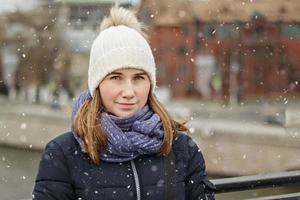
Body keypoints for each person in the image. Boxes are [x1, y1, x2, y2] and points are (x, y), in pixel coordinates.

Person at [32, 6, 216, 200]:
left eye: (138, 78)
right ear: (97, 84)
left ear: (150, 84)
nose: (129, 92)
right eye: (116, 77)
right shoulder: (64, 154)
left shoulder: (180, 148)